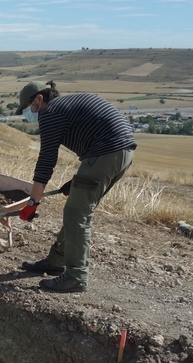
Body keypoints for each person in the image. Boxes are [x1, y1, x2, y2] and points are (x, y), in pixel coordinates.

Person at [15, 80, 137, 293]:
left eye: (27, 108)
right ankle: (55, 262)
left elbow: (46, 159)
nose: (28, 113)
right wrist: (77, 182)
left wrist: (33, 201)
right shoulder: (64, 106)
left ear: (39, 99)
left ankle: (76, 277)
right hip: (123, 151)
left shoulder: (50, 112)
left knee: (76, 213)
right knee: (77, 207)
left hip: (107, 151)